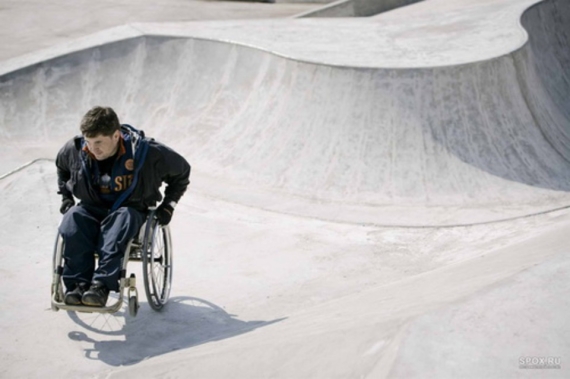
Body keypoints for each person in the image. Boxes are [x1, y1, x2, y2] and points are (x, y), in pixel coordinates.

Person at [56, 106, 190, 307]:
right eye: (89, 142)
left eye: (99, 142)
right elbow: (62, 168)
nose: (93, 148)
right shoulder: (75, 149)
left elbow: (182, 171)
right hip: (92, 208)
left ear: (116, 135)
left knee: (121, 219)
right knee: (73, 217)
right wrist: (66, 197)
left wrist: (168, 205)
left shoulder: (147, 152)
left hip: (130, 209)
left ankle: (101, 285)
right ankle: (77, 285)